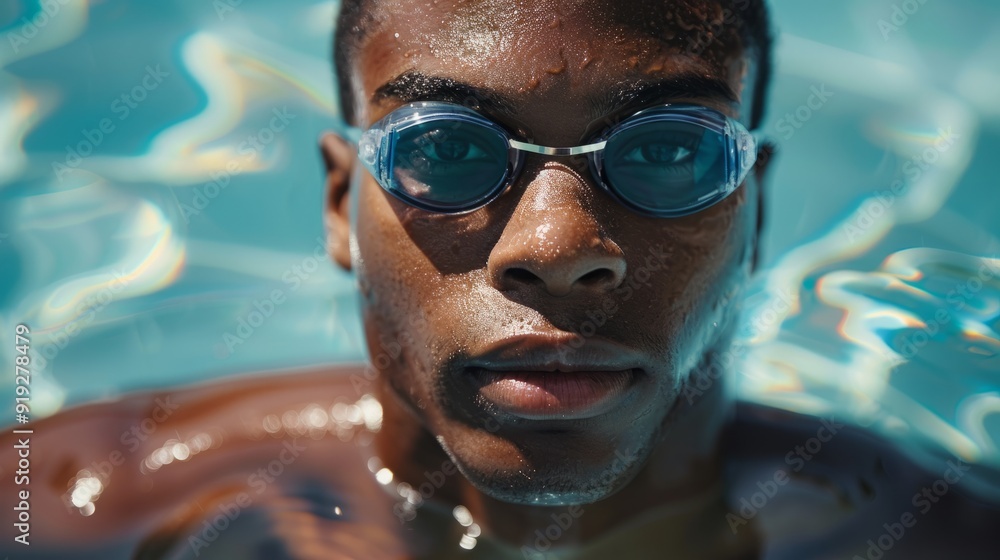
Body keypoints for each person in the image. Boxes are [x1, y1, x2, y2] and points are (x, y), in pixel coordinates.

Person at [3, 1, 998, 558]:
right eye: (444, 150)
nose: (558, 241)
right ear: (338, 203)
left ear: (754, 211)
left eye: (666, 152)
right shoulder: (76, 502)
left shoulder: (935, 534)